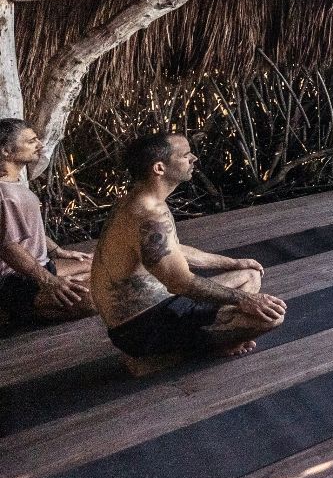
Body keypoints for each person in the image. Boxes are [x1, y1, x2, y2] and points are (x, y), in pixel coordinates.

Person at [91, 133, 284, 360]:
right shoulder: (148, 215)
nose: (193, 158)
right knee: (271, 317)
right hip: (142, 328)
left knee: (249, 275)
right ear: (159, 168)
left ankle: (211, 335)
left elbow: (172, 249)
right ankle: (195, 348)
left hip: (163, 305)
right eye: (184, 155)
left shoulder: (139, 200)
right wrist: (244, 300)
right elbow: (179, 282)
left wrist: (233, 262)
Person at [0, 119, 93, 327]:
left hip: (38, 266)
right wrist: (49, 282)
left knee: (101, 265)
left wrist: (59, 251)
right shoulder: (4, 195)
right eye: (31, 141)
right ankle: (14, 311)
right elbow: (8, 248)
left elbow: (28, 230)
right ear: (6, 151)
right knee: (94, 299)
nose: (40, 145)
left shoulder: (14, 183)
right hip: (14, 279)